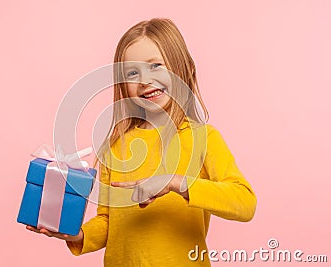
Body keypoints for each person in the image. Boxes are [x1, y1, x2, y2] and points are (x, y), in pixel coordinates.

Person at [27, 18, 257, 266]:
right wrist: (79, 235)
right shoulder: (115, 147)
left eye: (156, 65)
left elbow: (244, 202)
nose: (145, 80)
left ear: (185, 69)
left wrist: (175, 182)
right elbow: (108, 221)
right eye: (133, 72)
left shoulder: (203, 138)